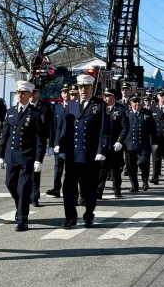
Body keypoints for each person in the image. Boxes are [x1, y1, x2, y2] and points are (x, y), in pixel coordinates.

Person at [55, 73, 109, 227]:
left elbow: (104, 131)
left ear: (92, 88)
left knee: (89, 188)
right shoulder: (71, 104)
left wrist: (101, 150)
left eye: (86, 87)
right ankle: (70, 217)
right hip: (73, 154)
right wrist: (60, 144)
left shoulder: (99, 105)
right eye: (81, 87)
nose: (83, 90)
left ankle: (88, 214)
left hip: (90, 155)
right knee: (69, 188)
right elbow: (65, 126)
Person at [0, 81, 46, 231]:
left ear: (29, 95)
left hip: (27, 156)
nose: (19, 95)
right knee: (10, 184)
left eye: (23, 93)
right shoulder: (11, 111)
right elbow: (4, 135)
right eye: (18, 92)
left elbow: (40, 139)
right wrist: (0, 155)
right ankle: (19, 206)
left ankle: (22, 219)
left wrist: (39, 158)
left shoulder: (35, 114)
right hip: (11, 156)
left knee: (23, 188)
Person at [97, 88, 129, 199]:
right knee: (102, 170)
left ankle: (117, 190)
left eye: (108, 96)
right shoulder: (100, 108)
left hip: (115, 145)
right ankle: (98, 191)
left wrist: (120, 141)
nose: (105, 98)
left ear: (113, 97)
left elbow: (125, 127)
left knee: (116, 169)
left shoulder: (120, 109)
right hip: (102, 146)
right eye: (104, 96)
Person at [125, 95, 157, 192]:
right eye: (135, 102)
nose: (137, 104)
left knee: (143, 163)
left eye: (139, 101)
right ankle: (134, 185)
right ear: (130, 103)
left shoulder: (147, 113)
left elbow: (153, 129)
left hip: (144, 144)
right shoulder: (127, 114)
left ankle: (145, 181)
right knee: (131, 167)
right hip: (130, 144)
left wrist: (154, 142)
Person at [28, 84, 53, 206]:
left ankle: (34, 196)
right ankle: (28, 194)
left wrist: (51, 145)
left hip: (39, 143)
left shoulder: (45, 107)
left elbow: (50, 126)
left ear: (38, 94)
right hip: (25, 144)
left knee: (35, 170)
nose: (32, 94)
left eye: (34, 92)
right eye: (30, 92)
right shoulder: (23, 106)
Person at [46, 84, 70, 198]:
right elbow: (53, 127)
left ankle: (69, 189)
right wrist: (52, 144)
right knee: (58, 168)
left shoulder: (75, 107)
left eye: (68, 92)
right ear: (61, 94)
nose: (66, 94)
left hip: (70, 144)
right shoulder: (57, 107)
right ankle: (56, 189)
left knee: (70, 169)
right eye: (64, 92)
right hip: (58, 143)